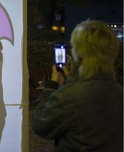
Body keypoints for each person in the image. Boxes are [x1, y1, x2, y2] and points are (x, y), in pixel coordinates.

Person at [32, 20, 123, 151]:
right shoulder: (119, 92)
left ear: (79, 53)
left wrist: (51, 86)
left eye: (74, 47)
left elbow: (40, 125)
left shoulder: (67, 97)